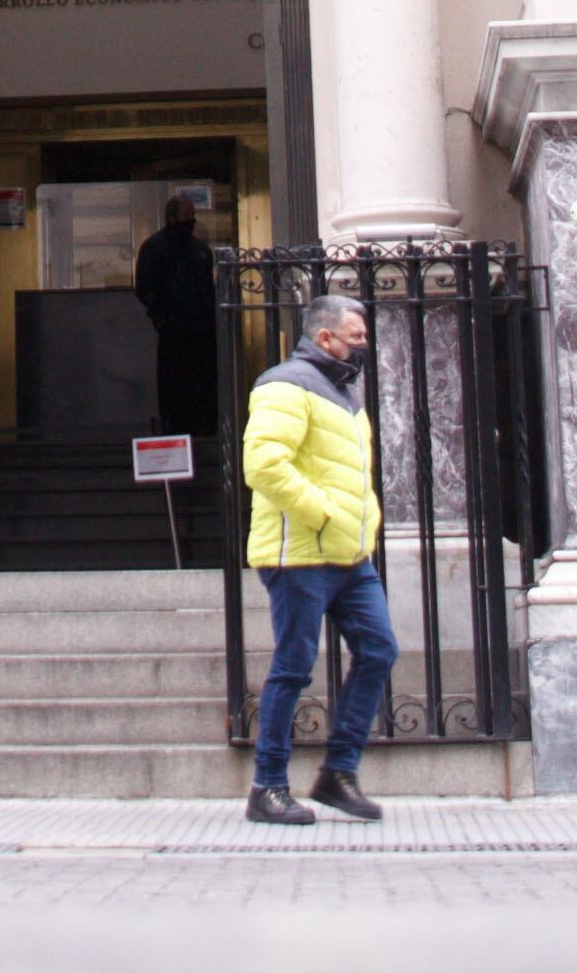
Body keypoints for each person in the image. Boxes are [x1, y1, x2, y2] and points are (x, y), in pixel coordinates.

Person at [240, 291, 391, 827]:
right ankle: (269, 786)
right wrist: (325, 513)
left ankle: (337, 774)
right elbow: (263, 465)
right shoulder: (285, 384)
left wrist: (361, 523)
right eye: (356, 338)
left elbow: (353, 472)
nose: (364, 346)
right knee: (294, 667)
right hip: (300, 554)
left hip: (350, 554)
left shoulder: (344, 390)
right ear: (324, 337)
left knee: (378, 650)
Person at [133, 191, 220, 450]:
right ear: (171, 218)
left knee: (202, 384)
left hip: (201, 331)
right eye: (186, 215)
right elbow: (145, 288)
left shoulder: (200, 251)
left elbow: (207, 291)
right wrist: (161, 318)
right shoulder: (154, 248)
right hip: (173, 331)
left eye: (193, 215)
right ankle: (174, 430)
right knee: (173, 384)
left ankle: (203, 430)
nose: (191, 220)